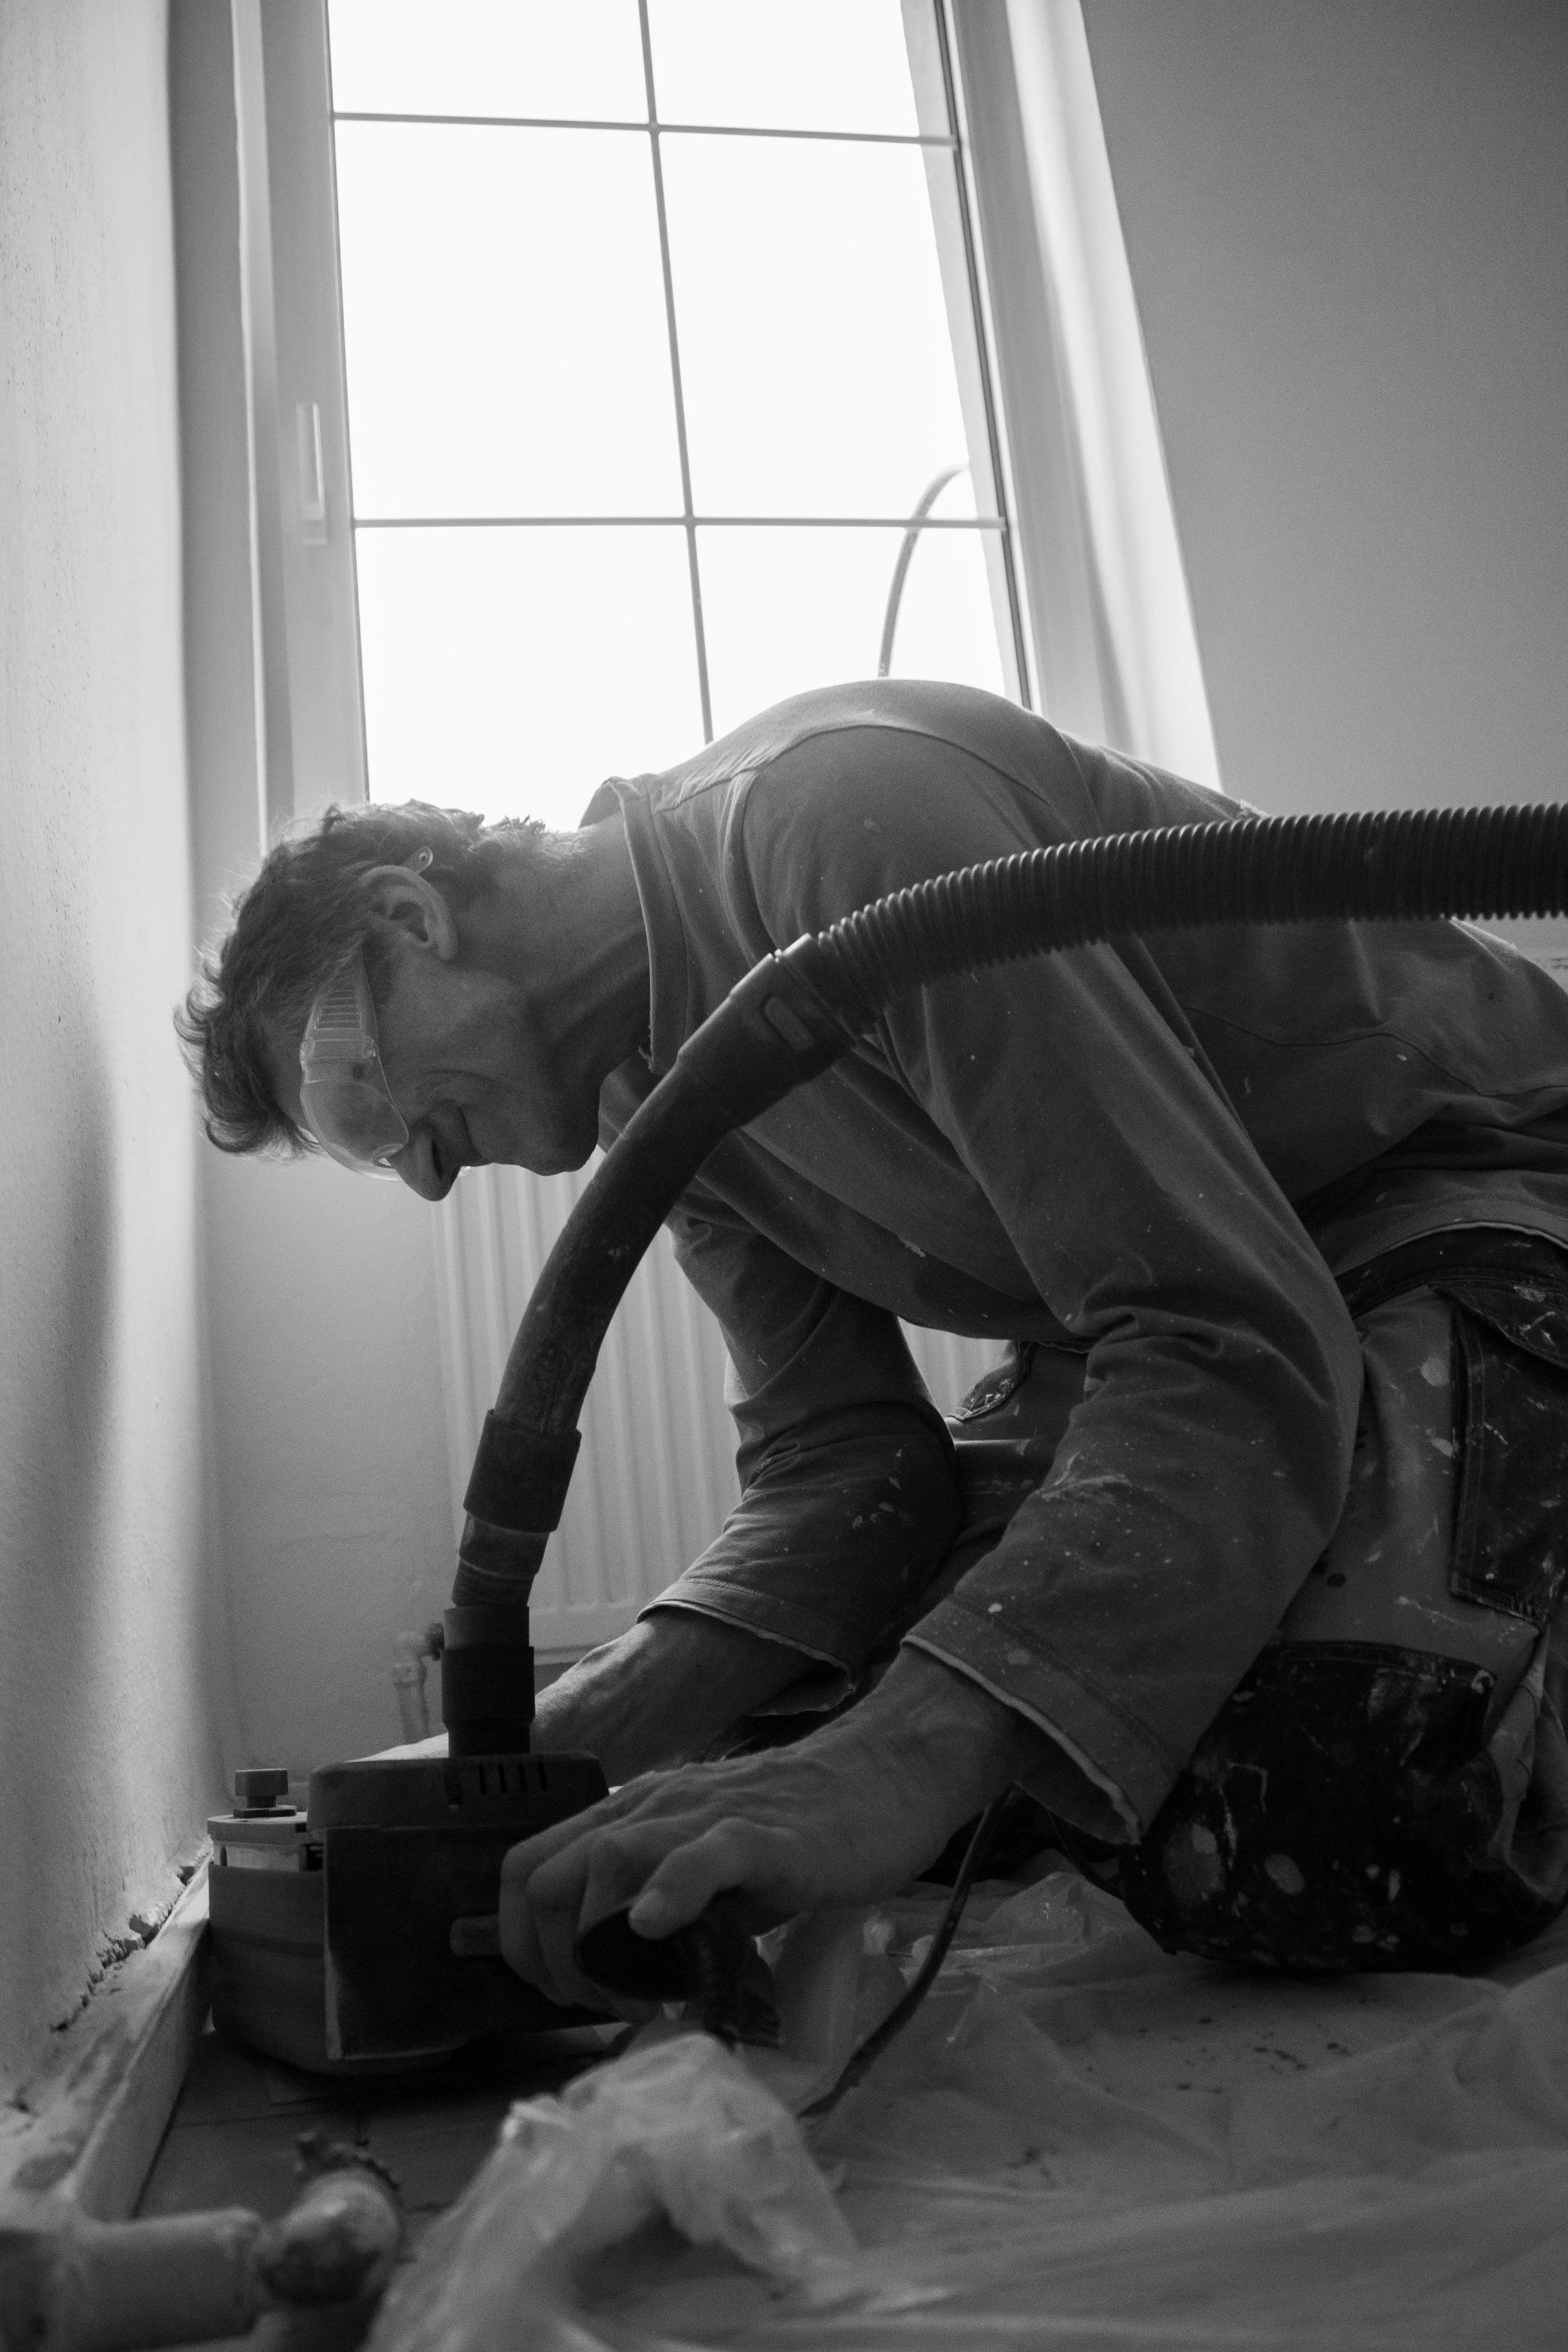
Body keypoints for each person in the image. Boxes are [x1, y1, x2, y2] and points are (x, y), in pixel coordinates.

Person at [179, 680, 1568, 2011]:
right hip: (1196, 1301)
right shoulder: (648, 1089)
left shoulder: (837, 821)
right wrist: (528, 1761)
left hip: (1456, 1193)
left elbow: (1211, 1320)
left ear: (409, 915)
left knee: (1304, 1798)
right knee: (770, 1760)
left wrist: (893, 1765)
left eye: (359, 1104)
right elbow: (845, 1466)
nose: (415, 1177)